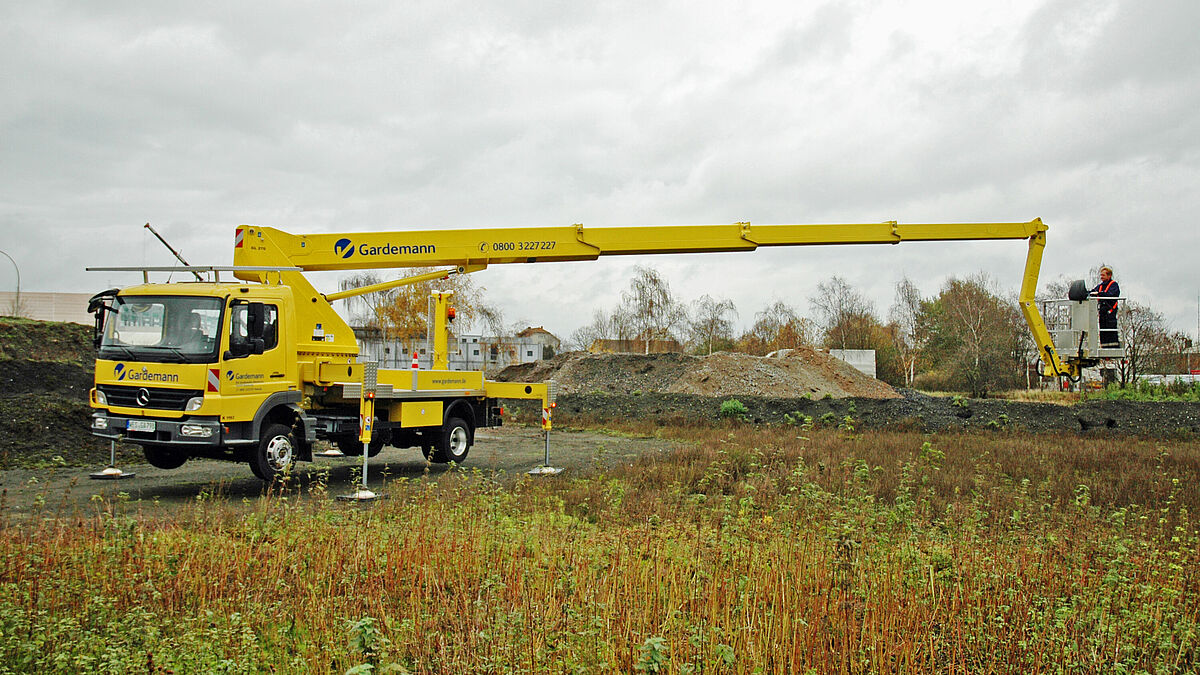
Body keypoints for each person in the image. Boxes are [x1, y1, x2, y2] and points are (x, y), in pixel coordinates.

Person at [1090, 266, 1120, 347]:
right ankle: (1104, 346)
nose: (1101, 277)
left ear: (1109, 275)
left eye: (1103, 275)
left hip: (1110, 311)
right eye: (1101, 275)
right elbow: (1093, 292)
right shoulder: (1100, 286)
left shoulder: (1114, 285)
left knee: (1110, 329)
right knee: (1102, 329)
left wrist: (1100, 294)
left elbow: (1111, 295)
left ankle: (1113, 347)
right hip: (1102, 311)